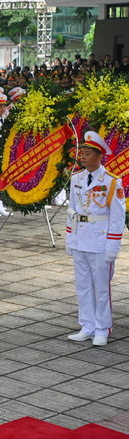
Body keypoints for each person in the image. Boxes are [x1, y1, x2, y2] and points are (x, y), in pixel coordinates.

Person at [66, 131, 126, 347]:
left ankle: (102, 327)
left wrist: (112, 247)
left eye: (88, 153)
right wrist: (70, 239)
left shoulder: (111, 182)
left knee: (101, 288)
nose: (82, 157)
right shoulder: (76, 179)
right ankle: (87, 325)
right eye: (82, 153)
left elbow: (117, 218)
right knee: (83, 286)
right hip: (80, 239)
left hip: (100, 243)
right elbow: (72, 211)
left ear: (100, 156)